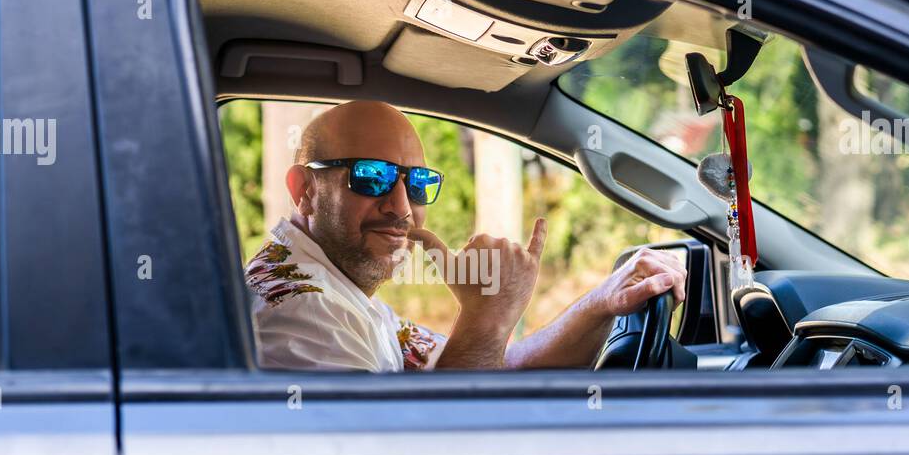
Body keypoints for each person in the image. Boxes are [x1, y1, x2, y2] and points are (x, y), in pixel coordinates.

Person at [245, 100, 686, 371]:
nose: (401, 207)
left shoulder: (337, 291)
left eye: (416, 183)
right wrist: (487, 315)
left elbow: (497, 364)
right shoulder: (303, 310)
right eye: (371, 176)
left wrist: (604, 302)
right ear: (305, 190)